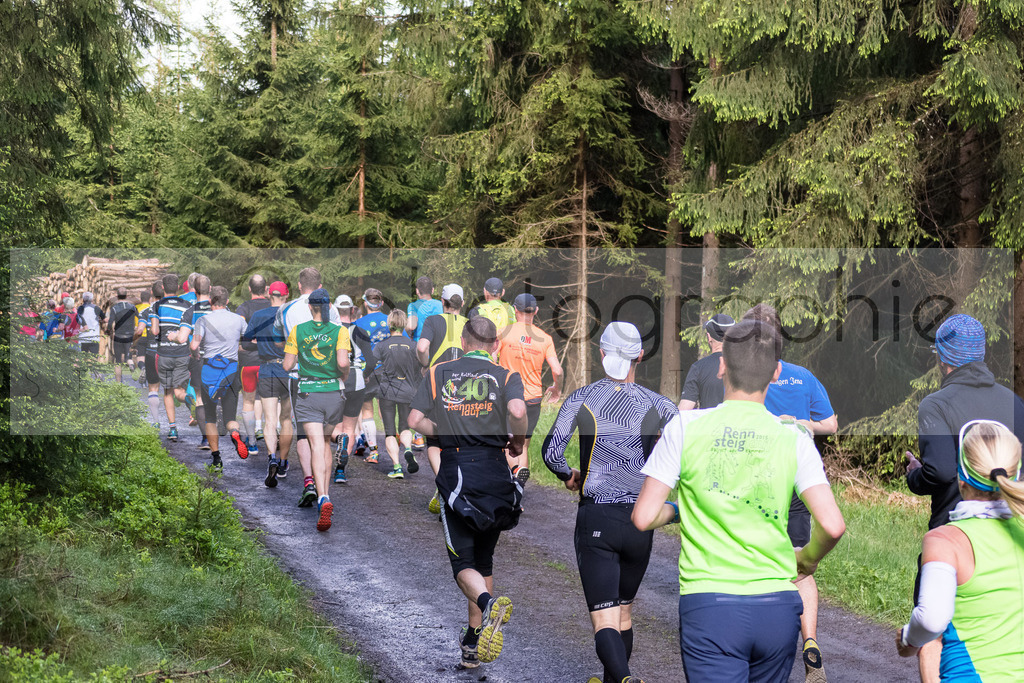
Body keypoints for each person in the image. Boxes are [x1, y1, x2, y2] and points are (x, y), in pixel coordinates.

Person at [632, 318, 846, 683]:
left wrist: (683, 508)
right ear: (776, 372)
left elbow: (643, 517)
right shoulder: (794, 436)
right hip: (777, 604)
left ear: (721, 366)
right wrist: (805, 562)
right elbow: (833, 525)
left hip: (710, 604)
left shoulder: (684, 427)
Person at [542, 322, 678, 683]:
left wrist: (568, 474)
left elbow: (551, 452)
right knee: (623, 612)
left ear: (602, 354)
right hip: (640, 519)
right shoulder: (662, 406)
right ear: (640, 356)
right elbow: (686, 452)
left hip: (596, 515)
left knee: (604, 618)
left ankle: (624, 679)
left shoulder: (582, 397)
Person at [904, 313, 1024, 681]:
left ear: (944, 358)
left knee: (937, 633)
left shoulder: (935, 405)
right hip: (1010, 528)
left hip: (954, 532)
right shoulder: (1015, 403)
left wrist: (913, 475)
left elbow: (939, 471)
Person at [409, 316, 527, 669]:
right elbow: (518, 410)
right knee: (484, 559)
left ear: (463, 339)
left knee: (463, 564)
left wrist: (443, 430)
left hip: (457, 472)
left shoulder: (438, 373)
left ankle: (489, 605)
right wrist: (518, 441)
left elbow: (415, 419)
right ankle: (473, 643)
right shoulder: (506, 376)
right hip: (495, 470)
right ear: (495, 346)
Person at [744, 303, 838, 682]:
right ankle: (810, 641)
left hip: (757, 476)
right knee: (798, 564)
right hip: (799, 477)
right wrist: (801, 424)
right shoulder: (803, 376)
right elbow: (831, 424)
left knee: (755, 558)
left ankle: (756, 643)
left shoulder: (744, 376)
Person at [897, 420, 1024, 682]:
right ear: (1016, 474)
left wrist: (907, 639)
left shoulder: (945, 540)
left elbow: (932, 620)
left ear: (961, 480)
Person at [282, 288, 350, 531]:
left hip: (308, 393)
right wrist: (346, 372)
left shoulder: (298, 330)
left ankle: (323, 497)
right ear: (329, 306)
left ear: (310, 307)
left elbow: (288, 364)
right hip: (333, 393)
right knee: (325, 443)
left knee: (316, 445)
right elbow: (343, 362)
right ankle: (326, 493)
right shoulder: (340, 331)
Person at [274, 267, 343, 507]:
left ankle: (309, 481)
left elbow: (282, 340)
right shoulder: (331, 309)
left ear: (300, 285)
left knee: (305, 434)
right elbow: (337, 341)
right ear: (321, 285)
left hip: (300, 378)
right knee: (323, 438)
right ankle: (325, 489)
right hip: (330, 378)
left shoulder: (288, 309)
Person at [417, 283, 468, 513]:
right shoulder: (470, 325)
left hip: (438, 385)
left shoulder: (433, 321)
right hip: (466, 387)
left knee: (435, 439)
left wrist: (425, 365)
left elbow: (421, 346)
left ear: (443, 302)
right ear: (463, 303)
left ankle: (444, 484)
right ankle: (459, 484)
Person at [498, 292, 563, 472]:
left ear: (514, 309)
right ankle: (519, 486)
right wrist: (557, 389)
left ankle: (515, 474)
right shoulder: (545, 339)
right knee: (524, 444)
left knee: (508, 443)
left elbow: (490, 358)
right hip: (533, 399)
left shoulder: (503, 333)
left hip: (509, 397)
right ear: (535, 311)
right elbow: (557, 370)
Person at [191, 286, 250, 467]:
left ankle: (216, 458)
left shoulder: (203, 320)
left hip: (210, 369)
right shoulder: (238, 320)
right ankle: (234, 433)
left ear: (210, 302)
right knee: (230, 417)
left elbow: (194, 346)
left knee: (210, 416)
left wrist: (196, 356)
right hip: (231, 371)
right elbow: (248, 342)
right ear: (227, 302)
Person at [243, 280, 293, 487]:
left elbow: (245, 343)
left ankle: (271, 456)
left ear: (268, 294)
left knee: (269, 420)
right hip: (289, 371)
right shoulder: (291, 315)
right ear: (286, 295)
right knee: (287, 419)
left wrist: (260, 345)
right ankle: (282, 462)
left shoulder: (258, 316)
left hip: (267, 369)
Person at [373, 309, 421, 479]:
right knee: (405, 427)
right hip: (408, 390)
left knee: (390, 432)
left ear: (389, 324)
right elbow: (421, 366)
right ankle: (408, 449)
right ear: (404, 324)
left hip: (387, 391)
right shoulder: (413, 346)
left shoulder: (381, 345)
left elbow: (372, 365)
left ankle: (397, 467)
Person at [331, 294, 374, 484]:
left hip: (334, 380)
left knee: (335, 427)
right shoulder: (361, 331)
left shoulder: (330, 330)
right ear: (352, 310)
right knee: (350, 428)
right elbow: (371, 361)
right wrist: (365, 374)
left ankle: (335, 446)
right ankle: (340, 470)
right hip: (356, 379)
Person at [150, 274, 192, 441]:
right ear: (179, 288)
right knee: (179, 390)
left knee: (167, 391)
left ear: (162, 288)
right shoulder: (188, 305)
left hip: (164, 354)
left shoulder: (156, 305)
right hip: (182, 353)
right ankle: (190, 401)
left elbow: (154, 331)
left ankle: (173, 428)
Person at [353, 287, 390, 464]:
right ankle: (394, 445)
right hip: (387, 369)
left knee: (367, 410)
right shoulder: (391, 320)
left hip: (367, 369)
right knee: (386, 410)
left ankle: (373, 451)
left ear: (365, 302)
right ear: (381, 303)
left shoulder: (359, 323)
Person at [236, 274, 271, 456]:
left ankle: (251, 443)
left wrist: (246, 343)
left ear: (249, 289)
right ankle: (274, 437)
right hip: (269, 361)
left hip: (248, 361)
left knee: (249, 400)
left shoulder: (244, 308)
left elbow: (240, 332)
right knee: (271, 400)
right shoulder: (273, 306)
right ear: (266, 289)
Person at [177, 275, 213, 449]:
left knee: (199, 399)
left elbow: (183, 337)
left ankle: (206, 439)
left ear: (194, 291)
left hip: (198, 357)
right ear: (210, 289)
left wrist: (175, 337)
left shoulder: (190, 311)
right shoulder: (221, 308)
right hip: (221, 360)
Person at [678, 313, 735, 411]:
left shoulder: (698, 368)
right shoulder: (747, 366)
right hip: (742, 426)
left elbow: (683, 410)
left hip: (710, 425)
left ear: (709, 337)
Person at [139, 281, 165, 427]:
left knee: (153, 388)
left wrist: (135, 338)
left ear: (151, 293)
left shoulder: (146, 311)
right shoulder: (173, 309)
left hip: (151, 351)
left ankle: (156, 422)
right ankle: (174, 423)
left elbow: (140, 328)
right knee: (171, 389)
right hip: (170, 352)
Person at [108, 287, 138, 383]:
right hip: (129, 335)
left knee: (117, 360)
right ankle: (130, 364)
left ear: (117, 296)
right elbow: (140, 317)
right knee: (128, 357)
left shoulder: (114, 308)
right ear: (127, 296)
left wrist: (110, 331)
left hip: (118, 336)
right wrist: (137, 327)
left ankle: (118, 382)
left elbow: (110, 323)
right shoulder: (132, 307)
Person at [406, 275, 443, 342]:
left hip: (419, 345)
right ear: (432, 290)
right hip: (438, 345)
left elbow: (411, 326)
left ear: (417, 291)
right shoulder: (441, 305)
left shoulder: (413, 306)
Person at [76, 291, 106, 356]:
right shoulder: (96, 308)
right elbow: (105, 319)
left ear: (83, 299)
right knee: (94, 359)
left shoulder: (80, 309)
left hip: (83, 338)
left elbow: (77, 320)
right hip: (94, 338)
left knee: (83, 359)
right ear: (92, 299)